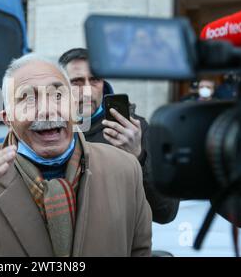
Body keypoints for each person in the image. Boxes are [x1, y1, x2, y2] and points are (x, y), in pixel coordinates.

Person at [0, 53, 152, 257]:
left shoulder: (124, 168)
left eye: (57, 95)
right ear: (7, 119)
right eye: (27, 99)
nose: (46, 110)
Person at [59, 48, 179, 224]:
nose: (87, 91)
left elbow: (165, 212)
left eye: (94, 80)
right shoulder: (50, 130)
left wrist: (138, 156)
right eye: (76, 82)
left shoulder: (133, 129)